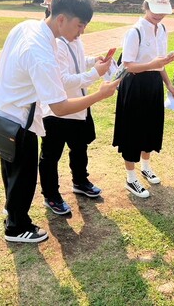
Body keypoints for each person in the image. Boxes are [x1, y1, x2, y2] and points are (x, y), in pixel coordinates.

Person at [0, 0, 120, 243]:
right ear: (61, 19)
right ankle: (16, 227)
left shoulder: (28, 27)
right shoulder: (41, 52)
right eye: (79, 25)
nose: (82, 31)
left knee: (12, 170)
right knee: (24, 174)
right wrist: (99, 94)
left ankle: (12, 209)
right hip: (19, 119)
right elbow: (59, 107)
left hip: (2, 110)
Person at [112, 0, 174, 198]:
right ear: (146, 6)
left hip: (153, 84)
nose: (159, 14)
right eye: (155, 9)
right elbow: (128, 65)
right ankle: (130, 178)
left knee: (151, 126)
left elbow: (160, 63)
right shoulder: (135, 32)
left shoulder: (162, 29)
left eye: (162, 10)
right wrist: (152, 64)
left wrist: (168, 84)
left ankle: (146, 166)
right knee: (132, 130)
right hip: (135, 85)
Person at [38, 32, 112, 215]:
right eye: (79, 25)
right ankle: (51, 195)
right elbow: (63, 80)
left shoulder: (75, 39)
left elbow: (76, 62)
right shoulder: (57, 44)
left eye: (84, 26)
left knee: (80, 148)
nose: (82, 31)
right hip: (56, 112)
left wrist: (92, 61)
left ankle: (80, 181)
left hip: (78, 108)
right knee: (50, 156)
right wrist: (95, 73)